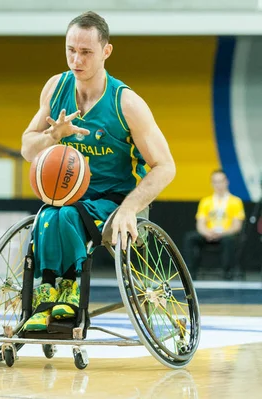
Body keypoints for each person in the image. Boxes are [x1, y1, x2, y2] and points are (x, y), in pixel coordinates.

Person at [20, 11, 176, 331]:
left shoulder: (127, 103)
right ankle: (48, 295)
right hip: (68, 196)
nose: (76, 59)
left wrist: (130, 208)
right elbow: (26, 149)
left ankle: (70, 296)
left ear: (106, 51)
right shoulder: (56, 87)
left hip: (115, 197)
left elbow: (166, 166)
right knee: (49, 216)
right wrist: (53, 135)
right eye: (70, 50)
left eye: (86, 52)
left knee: (68, 215)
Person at [183, 169, 245, 280]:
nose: (218, 185)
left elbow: (236, 226)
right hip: (208, 234)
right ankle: (190, 273)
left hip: (226, 235)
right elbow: (200, 224)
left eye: (221, 181)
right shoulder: (205, 201)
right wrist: (207, 232)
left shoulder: (236, 201)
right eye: (215, 182)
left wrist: (221, 233)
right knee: (190, 238)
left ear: (226, 182)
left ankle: (227, 273)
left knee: (229, 240)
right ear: (212, 184)